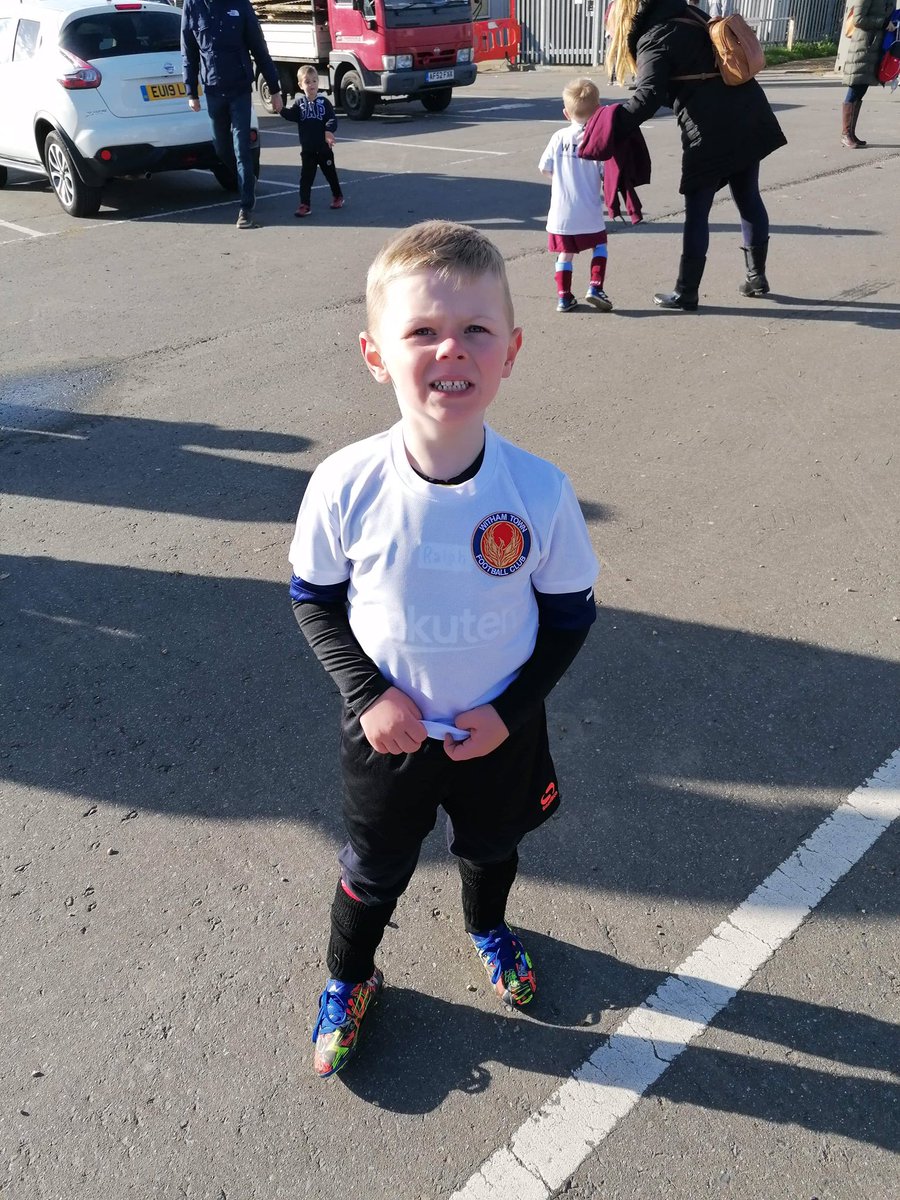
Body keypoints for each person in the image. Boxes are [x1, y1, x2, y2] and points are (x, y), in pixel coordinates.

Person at [288, 220, 599, 1078]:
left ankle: (488, 927)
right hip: (388, 733)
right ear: (375, 352)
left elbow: (571, 618)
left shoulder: (537, 489)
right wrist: (370, 694)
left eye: (475, 330)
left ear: (512, 350)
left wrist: (507, 712)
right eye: (421, 330)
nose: (449, 350)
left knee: (491, 849)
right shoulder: (345, 483)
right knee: (372, 867)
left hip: (496, 734)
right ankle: (349, 977)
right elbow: (313, 598)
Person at [599, 0, 786, 308]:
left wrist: (606, 126)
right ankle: (757, 278)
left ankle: (686, 291)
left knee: (698, 209)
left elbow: (647, 97)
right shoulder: (690, 13)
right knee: (748, 195)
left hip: (711, 128)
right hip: (749, 111)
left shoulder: (653, 36)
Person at [181, 0, 284, 230]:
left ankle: (245, 208)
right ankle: (246, 180)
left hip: (239, 88)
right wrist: (191, 91)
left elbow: (259, 47)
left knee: (242, 147)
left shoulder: (240, 4)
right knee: (221, 147)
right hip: (213, 89)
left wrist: (274, 89)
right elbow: (188, 50)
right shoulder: (193, 5)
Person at [539, 78, 613, 313]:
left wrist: (560, 181)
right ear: (598, 110)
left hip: (561, 212)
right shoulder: (597, 141)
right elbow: (605, 173)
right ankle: (595, 286)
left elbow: (544, 167)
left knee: (565, 253)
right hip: (589, 209)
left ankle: (564, 297)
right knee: (599, 245)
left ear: (566, 113)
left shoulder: (559, 137)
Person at [280, 66, 344, 217]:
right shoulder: (299, 104)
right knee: (306, 178)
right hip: (308, 149)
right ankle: (305, 204)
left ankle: (337, 196)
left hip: (323, 149)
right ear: (301, 85)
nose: (311, 85)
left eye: (314, 81)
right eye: (307, 82)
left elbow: (331, 118)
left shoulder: (324, 102)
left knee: (330, 174)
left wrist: (328, 131)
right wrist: (281, 109)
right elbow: (291, 115)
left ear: (318, 83)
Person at [839, 0, 895, 148]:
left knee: (862, 89)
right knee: (856, 86)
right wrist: (883, 23)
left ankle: (851, 133)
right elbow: (858, 19)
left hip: (876, 47)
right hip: (863, 46)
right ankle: (846, 134)